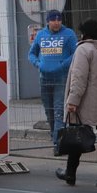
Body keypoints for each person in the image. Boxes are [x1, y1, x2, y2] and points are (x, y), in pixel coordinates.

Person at [56, 18, 97, 188]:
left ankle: (70, 172)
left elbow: (79, 78)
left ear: (85, 34)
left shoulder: (84, 49)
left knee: (77, 132)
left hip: (87, 99)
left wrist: (73, 101)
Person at [28, 9, 77, 154]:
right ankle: (54, 136)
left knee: (58, 112)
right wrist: (38, 64)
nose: (56, 23)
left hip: (61, 79)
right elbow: (31, 53)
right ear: (48, 21)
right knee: (49, 113)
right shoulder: (41, 35)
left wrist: (63, 64)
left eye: (59, 20)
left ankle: (58, 144)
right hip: (44, 78)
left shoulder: (69, 34)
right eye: (53, 20)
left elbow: (76, 53)